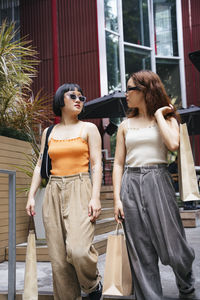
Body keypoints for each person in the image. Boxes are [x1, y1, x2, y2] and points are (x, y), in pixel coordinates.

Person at [113, 70, 195, 300]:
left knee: (174, 246)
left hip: (158, 179)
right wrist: (117, 199)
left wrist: (159, 114)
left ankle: (187, 288)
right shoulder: (124, 125)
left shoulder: (168, 120)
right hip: (130, 183)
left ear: (146, 90)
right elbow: (118, 163)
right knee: (140, 250)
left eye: (130, 89)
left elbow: (172, 144)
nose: (126, 94)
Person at [26, 83, 102, 300]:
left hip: (80, 187)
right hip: (53, 190)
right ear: (61, 100)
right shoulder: (50, 132)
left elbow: (96, 164)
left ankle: (92, 284)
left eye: (82, 97)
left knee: (78, 250)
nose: (79, 99)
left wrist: (95, 197)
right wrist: (31, 195)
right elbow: (41, 163)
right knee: (58, 260)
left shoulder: (89, 129)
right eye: (73, 96)